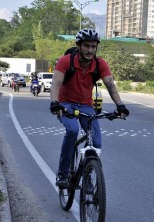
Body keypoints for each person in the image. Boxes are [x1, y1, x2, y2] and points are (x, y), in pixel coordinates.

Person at [50, 28, 129, 188]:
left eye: (93, 46)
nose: (90, 50)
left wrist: (120, 105)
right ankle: (63, 173)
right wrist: (55, 103)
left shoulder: (100, 64)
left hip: (86, 105)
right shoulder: (66, 61)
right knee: (72, 131)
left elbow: (110, 85)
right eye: (86, 46)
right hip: (65, 104)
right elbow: (56, 84)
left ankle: (86, 174)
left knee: (96, 141)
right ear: (79, 46)